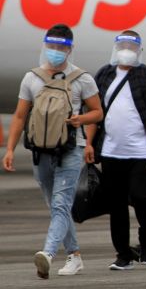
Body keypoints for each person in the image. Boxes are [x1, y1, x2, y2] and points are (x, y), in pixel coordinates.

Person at [2, 24, 103, 278]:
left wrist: (81, 120)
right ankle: (75, 255)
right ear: (45, 46)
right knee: (56, 204)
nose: (56, 51)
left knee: (61, 202)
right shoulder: (32, 78)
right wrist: (10, 149)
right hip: (40, 150)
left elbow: (98, 112)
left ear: (70, 50)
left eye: (62, 47)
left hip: (71, 148)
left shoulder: (83, 79)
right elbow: (19, 116)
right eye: (52, 46)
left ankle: (47, 253)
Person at [85, 30, 146, 270]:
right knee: (117, 205)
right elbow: (95, 112)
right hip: (111, 151)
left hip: (141, 151)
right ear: (115, 48)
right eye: (122, 46)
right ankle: (123, 254)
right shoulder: (104, 74)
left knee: (143, 198)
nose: (126, 51)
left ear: (139, 51)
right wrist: (89, 142)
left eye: (131, 47)